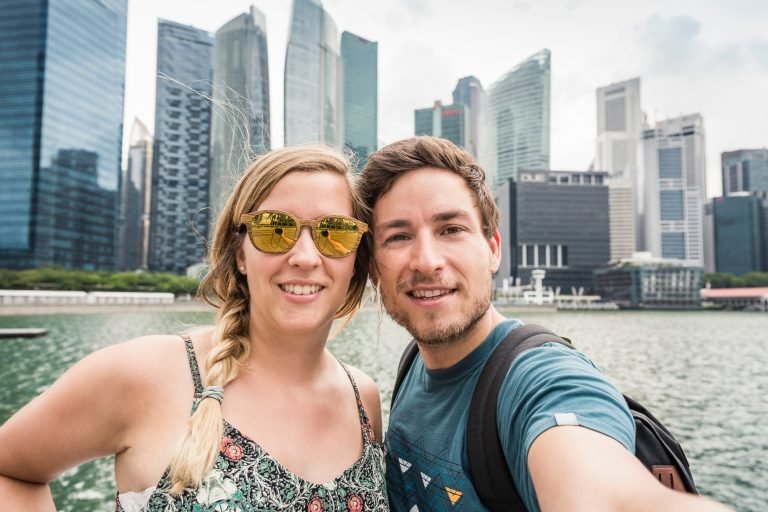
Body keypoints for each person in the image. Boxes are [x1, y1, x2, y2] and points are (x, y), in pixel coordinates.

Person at [0, 146, 389, 511]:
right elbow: (9, 469)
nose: (305, 257)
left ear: (356, 257)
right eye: (276, 229)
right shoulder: (146, 373)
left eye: (334, 232)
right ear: (240, 254)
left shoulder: (363, 399)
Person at [358, 136, 733, 512]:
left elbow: (605, 490)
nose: (426, 261)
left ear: (493, 249)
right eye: (399, 236)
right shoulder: (414, 362)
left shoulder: (540, 379)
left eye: (451, 229)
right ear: (374, 267)